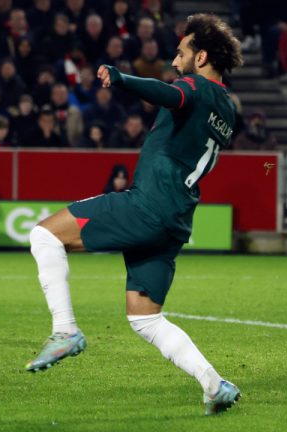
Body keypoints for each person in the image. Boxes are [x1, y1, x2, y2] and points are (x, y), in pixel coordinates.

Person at [24, 14, 243, 415]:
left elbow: (171, 95)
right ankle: (214, 385)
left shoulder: (193, 88)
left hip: (148, 205)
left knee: (44, 236)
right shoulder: (228, 110)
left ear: (202, 56)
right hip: (175, 222)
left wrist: (122, 79)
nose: (175, 62)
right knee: (145, 319)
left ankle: (65, 330)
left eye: (181, 54)